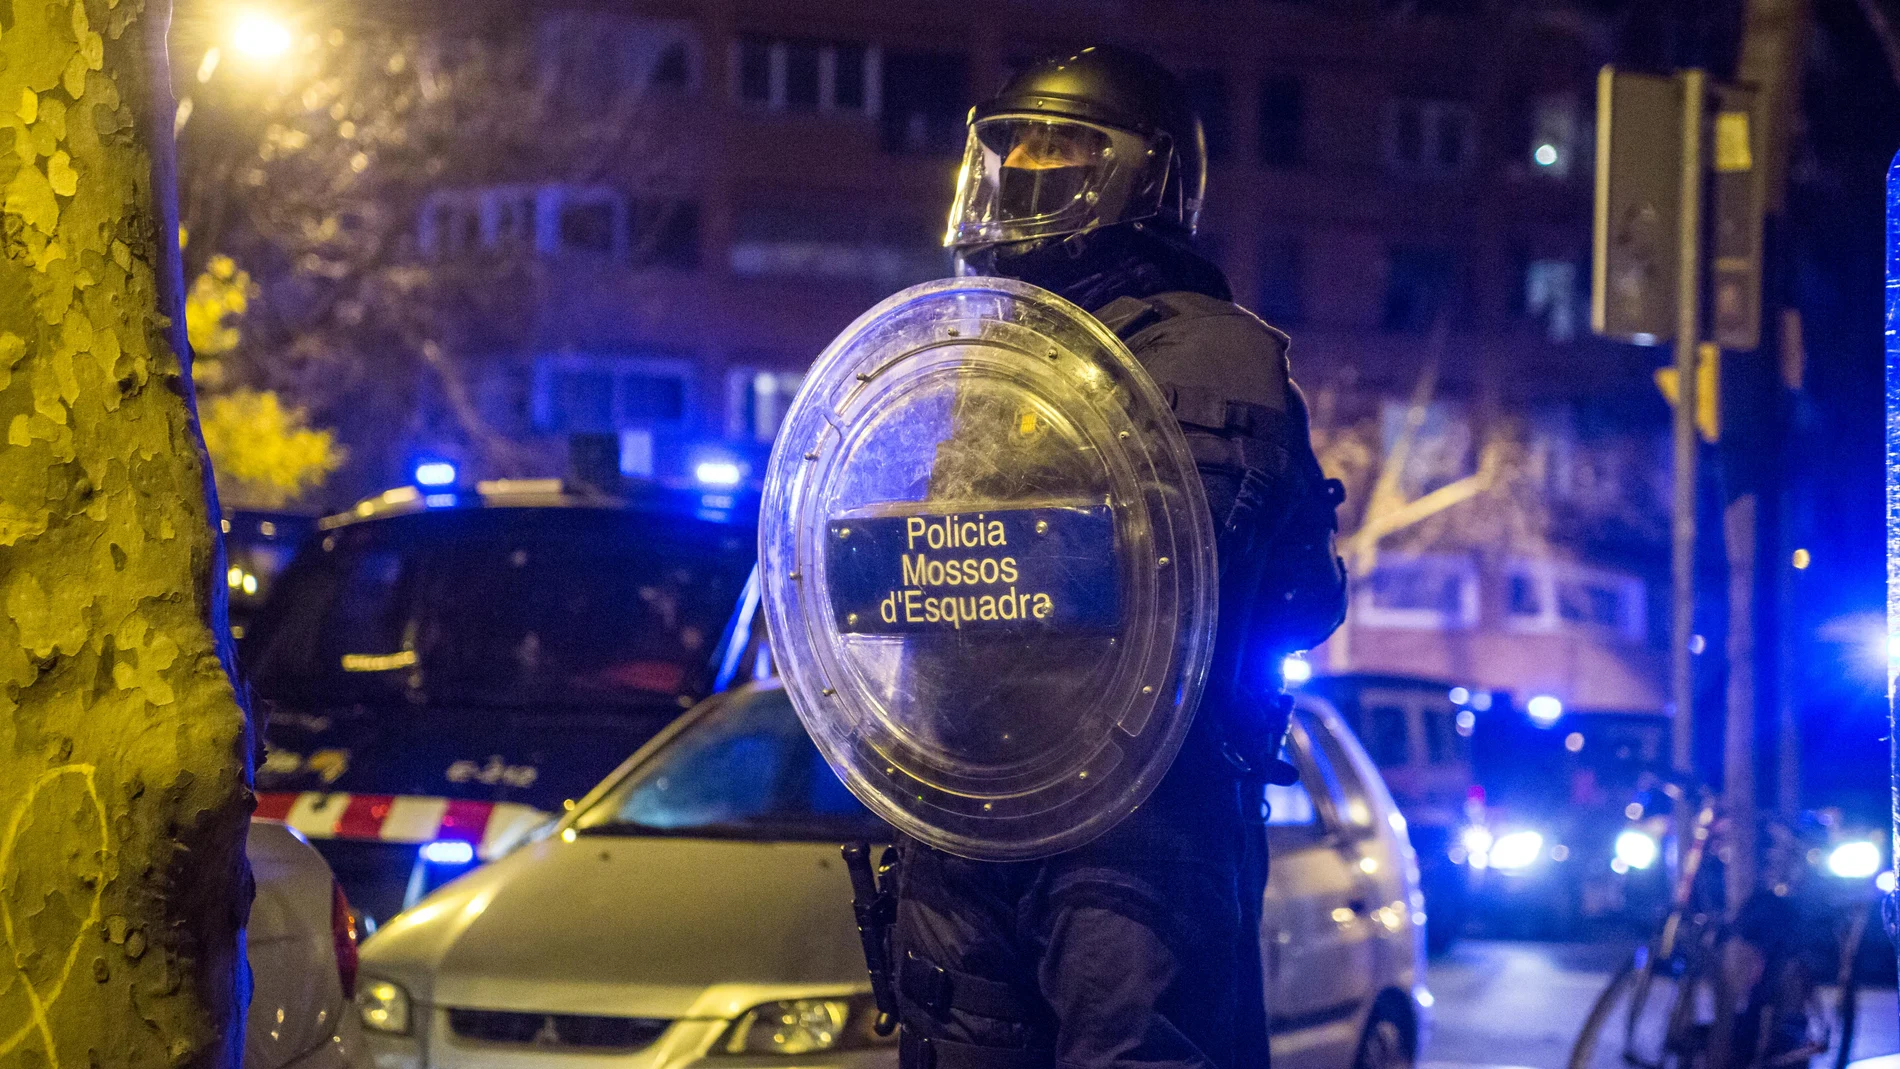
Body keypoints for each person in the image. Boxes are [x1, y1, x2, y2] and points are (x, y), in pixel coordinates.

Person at [889, 45, 1346, 1069]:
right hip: (1005, 833)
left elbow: (1204, 584)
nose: (1029, 168)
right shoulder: (988, 350)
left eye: (1063, 144)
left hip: (1120, 833)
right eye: (1015, 145)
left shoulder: (1187, 357)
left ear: (1142, 176)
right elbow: (1302, 600)